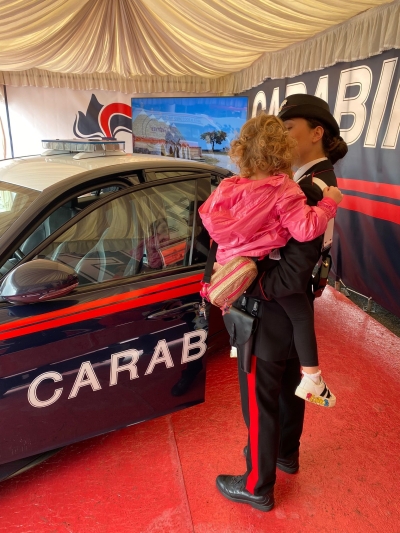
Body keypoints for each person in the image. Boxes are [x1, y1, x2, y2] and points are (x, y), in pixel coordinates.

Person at [214, 94, 348, 512]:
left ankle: (256, 484)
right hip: (289, 313)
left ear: (316, 132)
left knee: (259, 398)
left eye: (288, 128)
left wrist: (244, 282)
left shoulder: (308, 189)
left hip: (268, 311)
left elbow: (290, 273)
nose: (282, 137)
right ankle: (285, 454)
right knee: (289, 390)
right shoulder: (309, 179)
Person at [199, 112, 342, 408]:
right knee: (300, 312)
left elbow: (209, 219)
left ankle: (239, 343)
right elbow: (305, 230)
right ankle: (312, 376)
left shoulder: (228, 186)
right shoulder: (283, 188)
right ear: (282, 150)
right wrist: (329, 204)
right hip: (259, 265)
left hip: (229, 263)